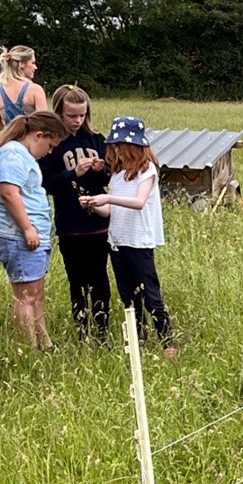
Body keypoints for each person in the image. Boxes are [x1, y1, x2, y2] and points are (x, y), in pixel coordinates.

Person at [80, 116, 176, 356]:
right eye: (114, 146)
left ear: (133, 146)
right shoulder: (117, 174)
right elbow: (110, 210)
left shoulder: (147, 170)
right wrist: (92, 204)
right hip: (117, 241)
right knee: (129, 297)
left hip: (139, 241)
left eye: (119, 145)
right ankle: (137, 342)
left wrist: (108, 197)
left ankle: (168, 344)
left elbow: (139, 202)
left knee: (150, 295)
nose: (114, 150)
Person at [0, 111, 68, 349]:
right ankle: (28, 348)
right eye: (50, 146)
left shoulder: (23, 156)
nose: (49, 152)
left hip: (31, 236)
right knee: (26, 297)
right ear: (38, 135)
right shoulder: (12, 154)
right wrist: (28, 228)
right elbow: (10, 193)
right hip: (18, 235)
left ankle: (45, 344)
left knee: (36, 295)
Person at [42, 85, 112, 341]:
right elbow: (47, 183)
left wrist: (102, 170)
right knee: (77, 281)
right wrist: (74, 173)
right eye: (72, 115)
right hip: (70, 224)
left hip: (98, 223)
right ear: (59, 112)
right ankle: (82, 330)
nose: (77, 121)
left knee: (100, 279)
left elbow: (110, 179)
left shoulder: (96, 139)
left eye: (82, 115)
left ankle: (102, 330)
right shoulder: (52, 144)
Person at [0, 46, 49, 131]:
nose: (35, 67)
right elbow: (44, 122)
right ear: (22, 64)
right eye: (33, 63)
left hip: (9, 141)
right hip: (32, 142)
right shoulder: (36, 90)